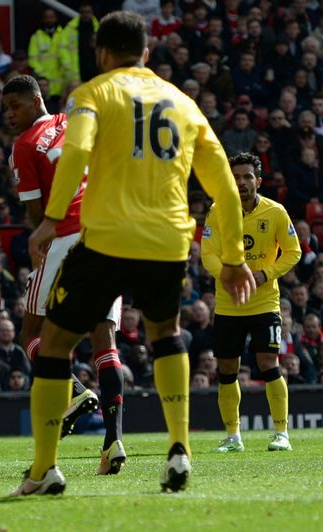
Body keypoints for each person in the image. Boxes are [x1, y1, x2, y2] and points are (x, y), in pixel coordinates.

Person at [23, 11, 255, 496]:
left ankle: (44, 470)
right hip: (167, 241)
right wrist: (234, 259)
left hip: (106, 238)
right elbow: (224, 186)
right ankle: (179, 448)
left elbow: (76, 153)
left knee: (54, 343)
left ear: (102, 54)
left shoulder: (91, 94)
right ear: (146, 53)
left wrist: (51, 218)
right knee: (165, 335)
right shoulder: (183, 102)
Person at [3, 74, 126, 475]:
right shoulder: (73, 123)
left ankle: (74, 391)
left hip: (64, 239)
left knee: (31, 333)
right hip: (107, 236)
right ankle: (113, 442)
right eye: (6, 109)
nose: (9, 115)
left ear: (35, 100)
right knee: (104, 339)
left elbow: (37, 216)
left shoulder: (24, 146)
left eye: (15, 106)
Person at [202, 152, 301, 453]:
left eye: (247, 177)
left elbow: (293, 251)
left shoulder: (276, 212)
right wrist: (228, 276)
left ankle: (281, 433)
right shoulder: (218, 211)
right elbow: (208, 253)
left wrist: (264, 274)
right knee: (227, 369)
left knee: (269, 364)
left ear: (258, 181)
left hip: (264, 303)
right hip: (228, 304)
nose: (241, 182)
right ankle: (233, 437)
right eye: (236, 177)